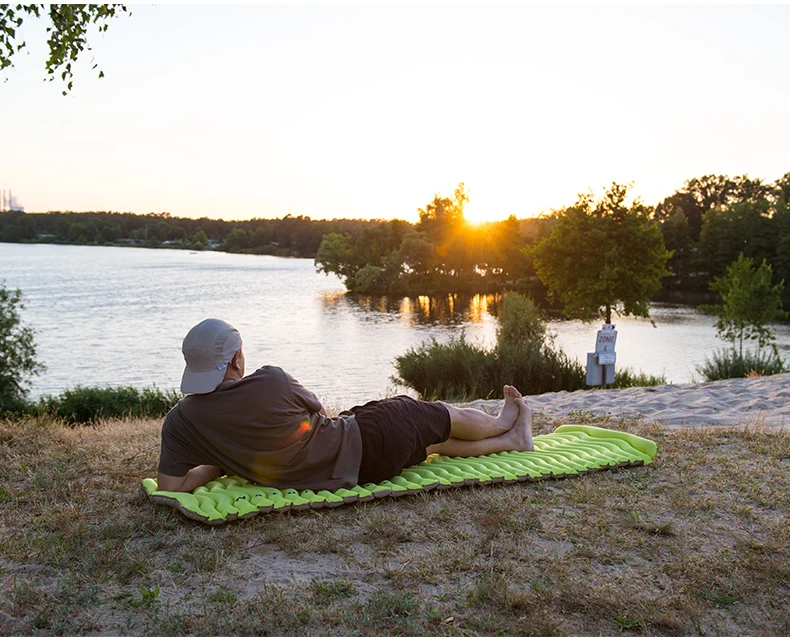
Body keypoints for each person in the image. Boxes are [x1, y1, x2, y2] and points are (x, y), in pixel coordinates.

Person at [157, 318, 534, 493]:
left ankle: (514, 441)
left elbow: (171, 486)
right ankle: (503, 423)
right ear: (237, 358)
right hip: (368, 444)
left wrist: (221, 461)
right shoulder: (270, 379)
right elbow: (319, 414)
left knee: (429, 443)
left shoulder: (180, 423)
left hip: (367, 470)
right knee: (436, 414)